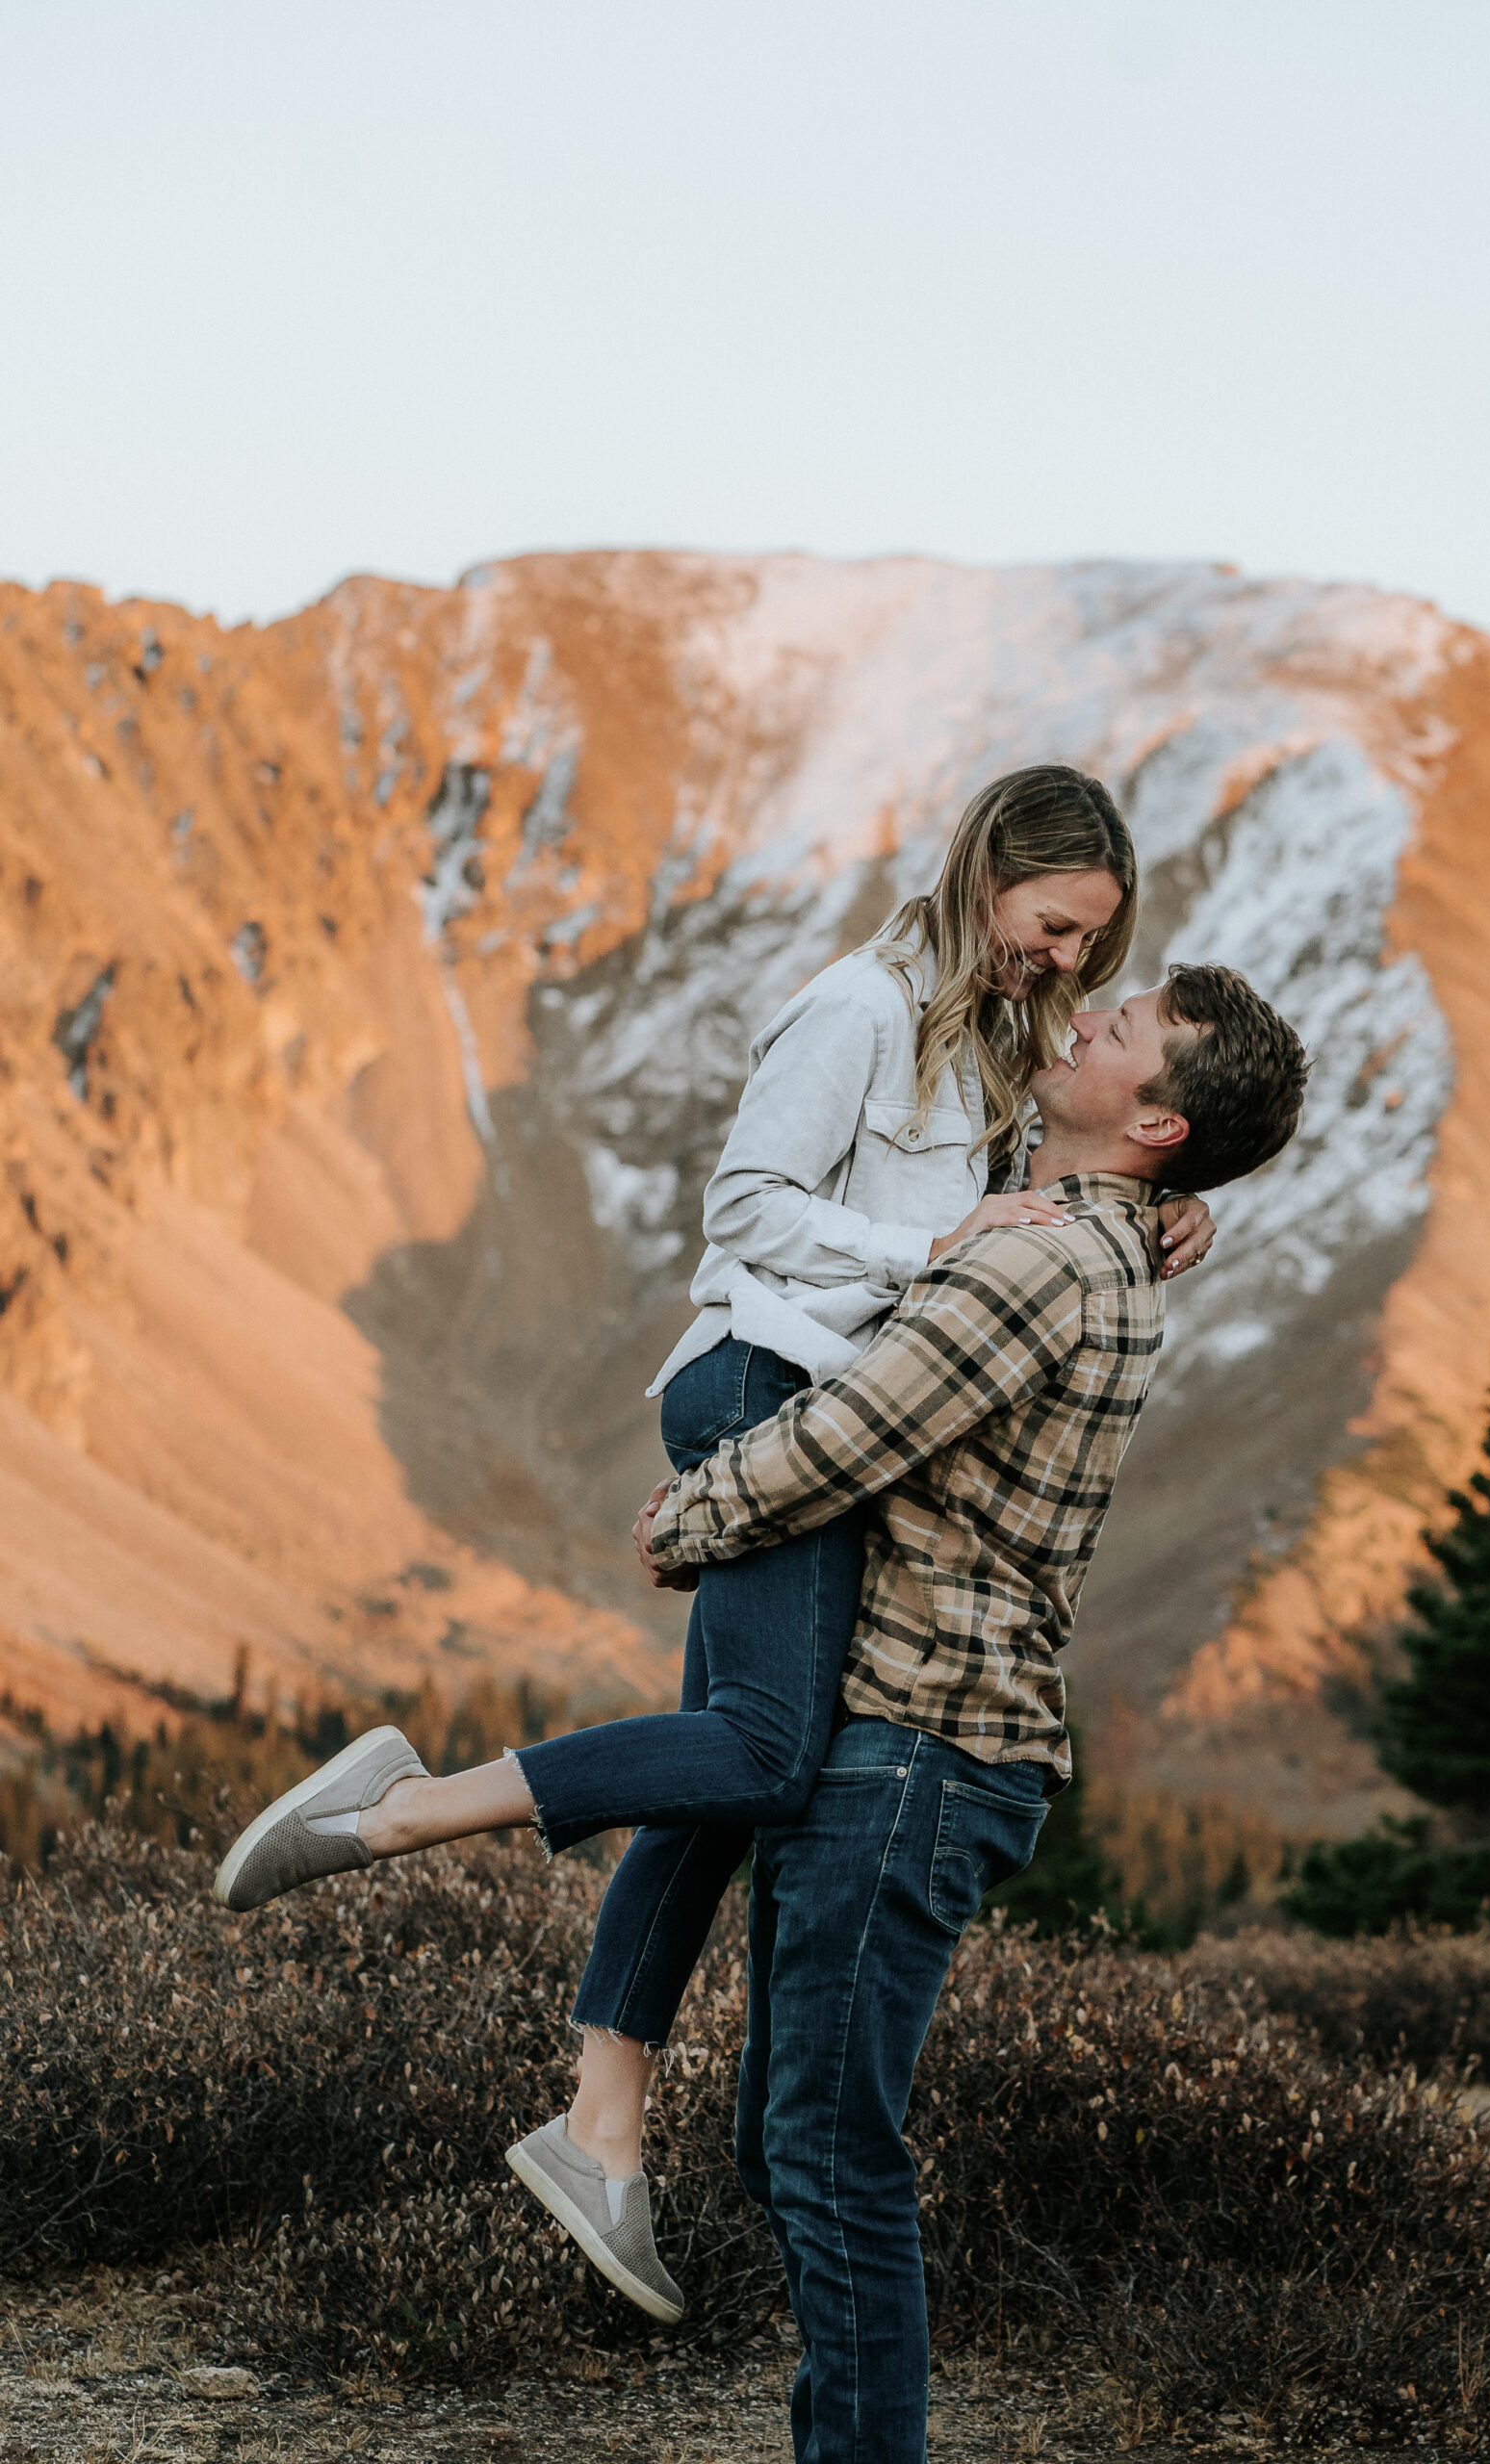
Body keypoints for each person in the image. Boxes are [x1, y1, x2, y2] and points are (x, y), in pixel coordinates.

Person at [211, 765, 1216, 2321]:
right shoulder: (858, 1008)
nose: (1070, 963)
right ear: (986, 876)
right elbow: (744, 1204)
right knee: (762, 1752)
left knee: (721, 1757)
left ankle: (602, 2125)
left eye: (1097, 944)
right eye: (1056, 925)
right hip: (759, 1378)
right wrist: (926, 1244)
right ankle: (399, 1807)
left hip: (834, 1395)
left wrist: (1168, 1214)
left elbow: (1044, 1209)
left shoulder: (1004, 1037)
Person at [614, 962, 1308, 2462]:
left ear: (1157, 1123)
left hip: (913, 1751)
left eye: (1118, 1033)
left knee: (827, 2154)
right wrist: (1197, 1203)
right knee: (795, 2144)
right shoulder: (1091, 1232)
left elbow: (849, 1439)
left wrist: (689, 1517)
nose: (1080, 1022)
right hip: (920, 1748)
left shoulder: (1042, 1263)